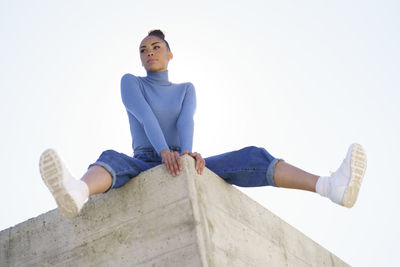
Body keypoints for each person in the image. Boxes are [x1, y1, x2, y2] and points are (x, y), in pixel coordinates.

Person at [39, 29, 367, 219]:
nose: (149, 52)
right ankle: (77, 190)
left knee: (252, 155)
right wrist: (166, 151)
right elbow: (145, 117)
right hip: (145, 159)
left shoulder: (186, 90)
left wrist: (186, 153)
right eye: (143, 50)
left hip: (181, 157)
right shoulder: (131, 82)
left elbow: (186, 121)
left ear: (170, 55)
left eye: (156, 47)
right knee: (112, 157)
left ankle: (330, 187)